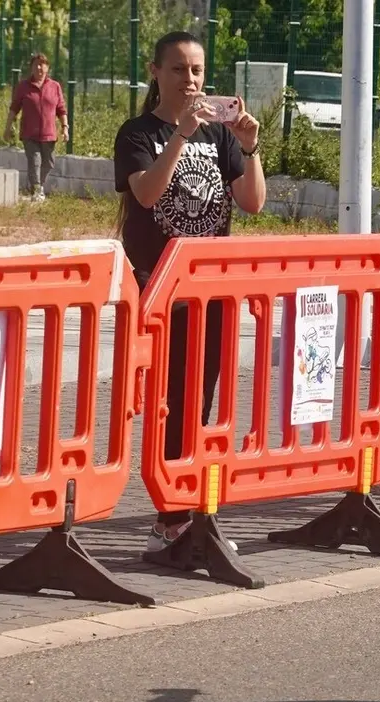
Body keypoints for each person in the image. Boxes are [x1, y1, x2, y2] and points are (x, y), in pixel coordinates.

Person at [113, 30, 266, 553]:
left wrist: (249, 147)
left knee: (200, 402)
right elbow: (148, 192)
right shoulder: (137, 133)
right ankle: (171, 513)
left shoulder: (219, 136)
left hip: (212, 290)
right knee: (169, 400)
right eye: (178, 69)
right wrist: (178, 135)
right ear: (156, 73)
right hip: (159, 288)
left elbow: (252, 203)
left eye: (197, 70)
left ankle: (184, 509)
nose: (191, 79)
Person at [3, 52, 68, 202]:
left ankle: (38, 185)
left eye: (42, 64)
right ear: (31, 68)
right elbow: (14, 108)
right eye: (36, 64)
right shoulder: (24, 87)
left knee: (49, 163)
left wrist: (65, 127)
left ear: (47, 67)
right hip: (29, 133)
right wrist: (7, 128)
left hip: (49, 134)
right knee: (35, 161)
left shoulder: (54, 86)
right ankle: (37, 190)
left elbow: (61, 109)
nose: (39, 67)